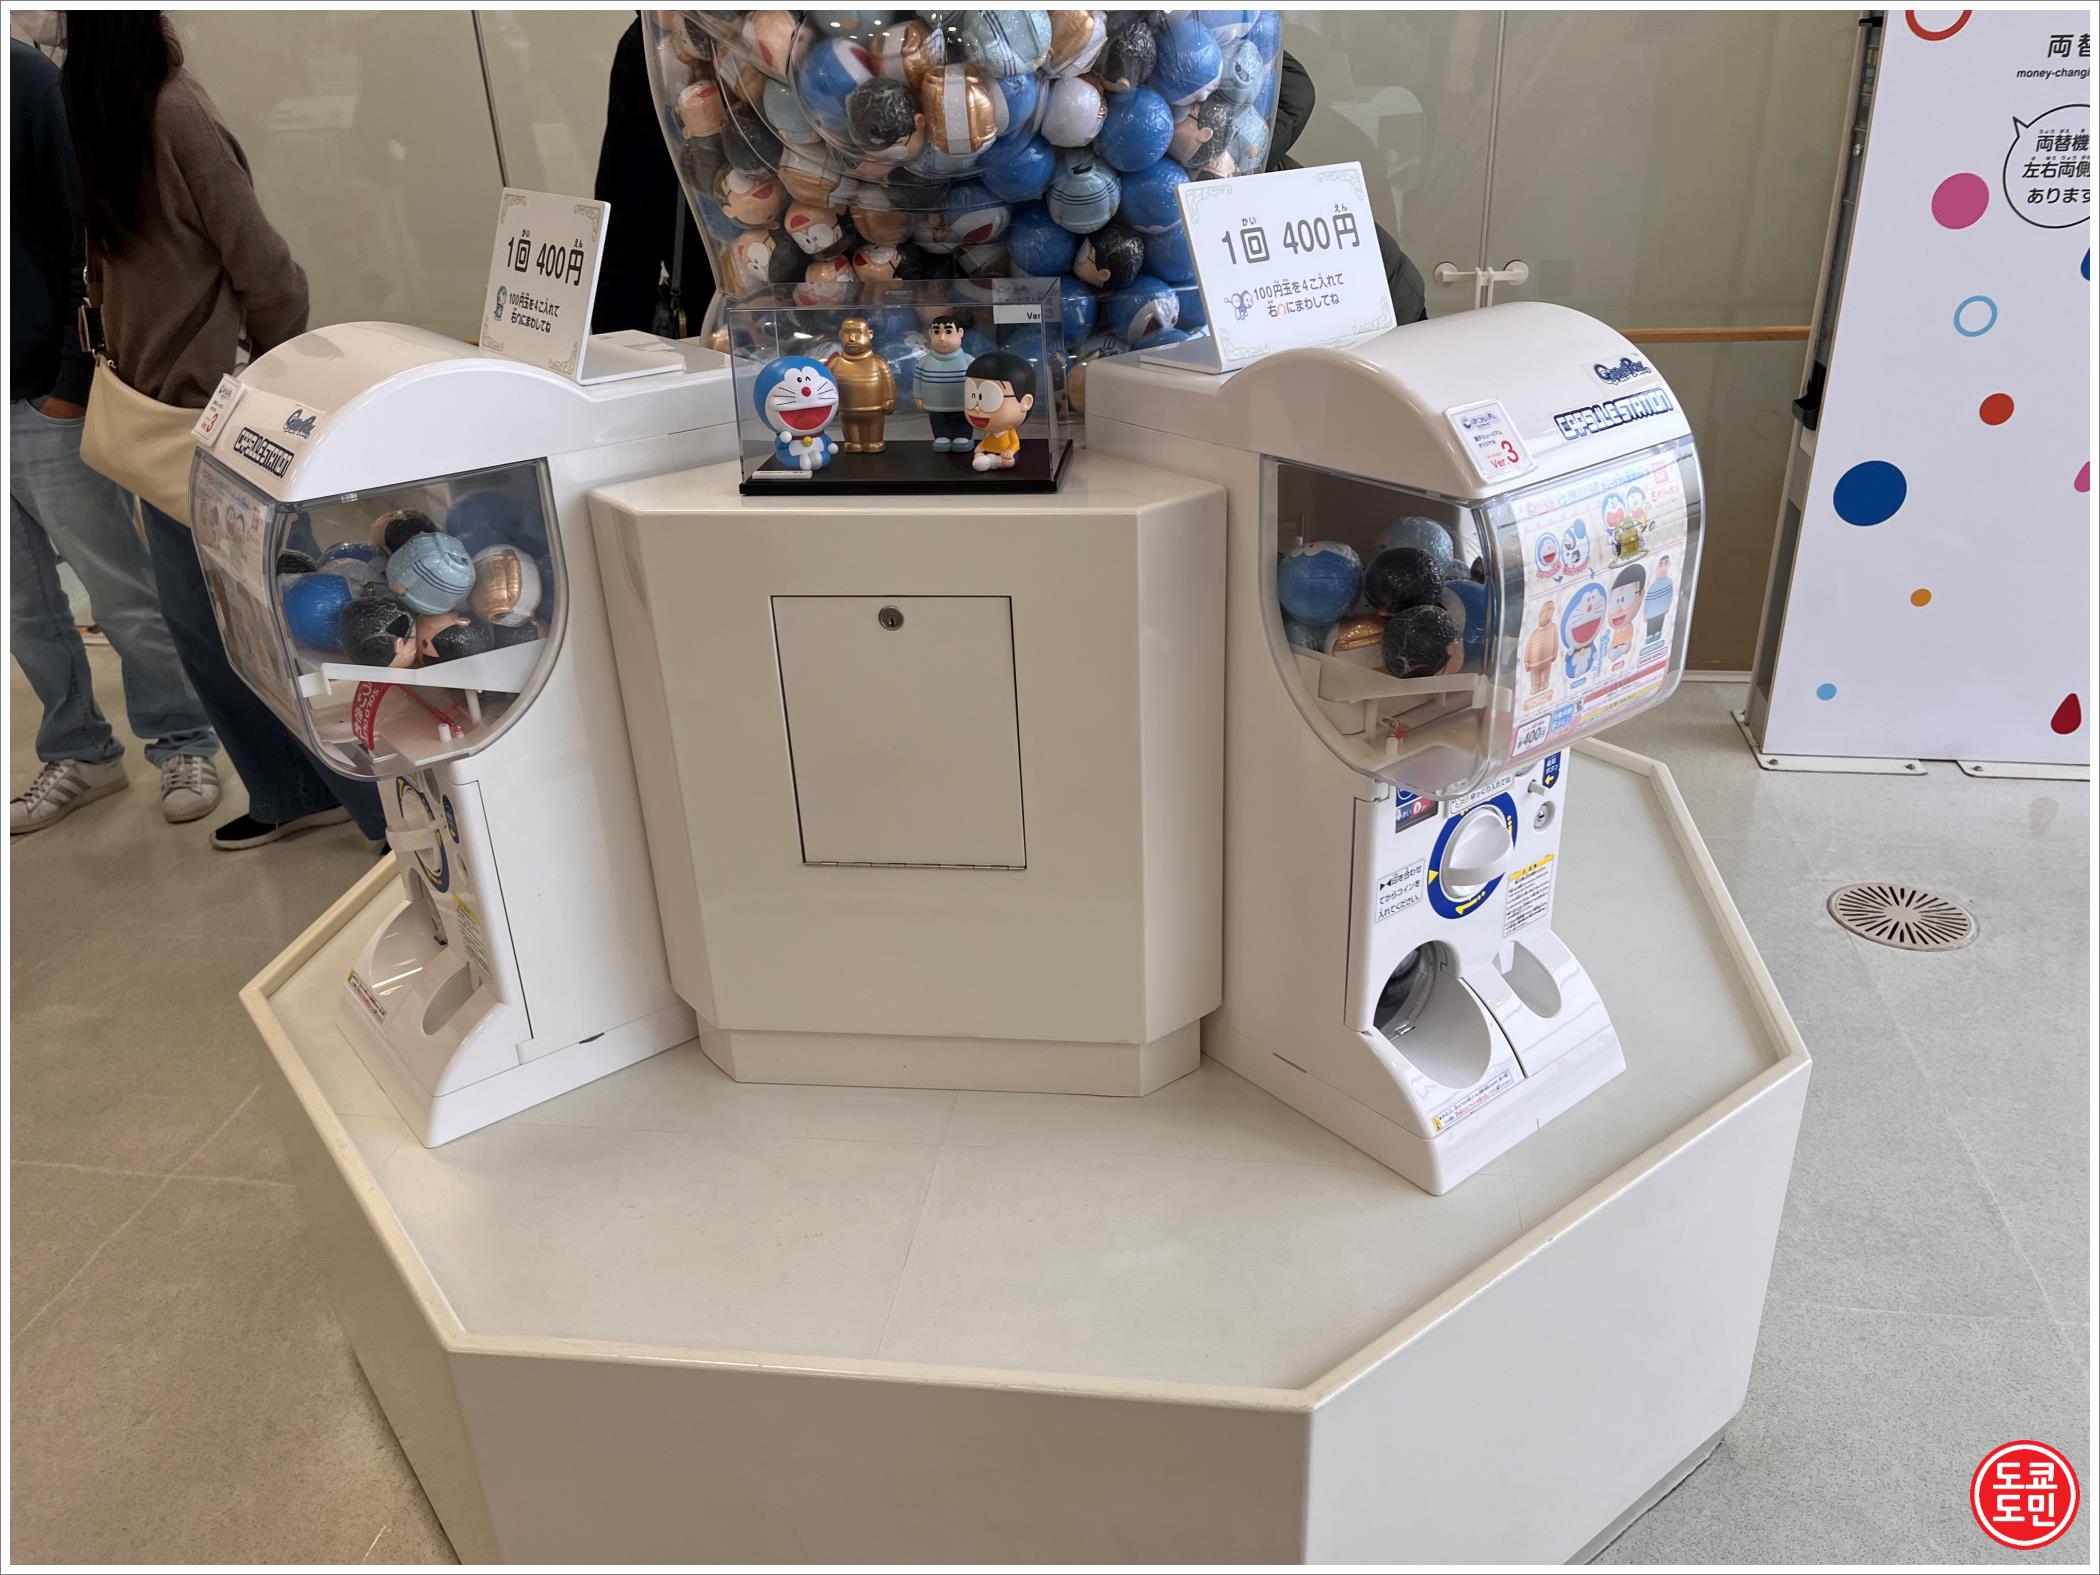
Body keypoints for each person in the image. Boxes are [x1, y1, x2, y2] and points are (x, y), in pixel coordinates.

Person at [59, 10, 385, 850]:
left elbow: (266, 268)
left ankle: (381, 809)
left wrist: (270, 385)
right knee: (209, 627)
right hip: (167, 422)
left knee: (283, 618)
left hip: (219, 418)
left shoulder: (170, 112)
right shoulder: (112, 113)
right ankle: (290, 790)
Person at [10, 36, 222, 835]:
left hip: (45, 394)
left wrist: (71, 385)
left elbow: (87, 243)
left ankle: (184, 739)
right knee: (24, 609)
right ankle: (81, 750)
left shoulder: (26, 82)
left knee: (120, 591)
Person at [1270, 52, 1429, 325]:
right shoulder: (1238, 158)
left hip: (1385, 298)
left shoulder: (1241, 154)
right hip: (1368, 292)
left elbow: (1297, 93)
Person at [591, 13, 715, 337]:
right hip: (710, 323)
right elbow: (627, 218)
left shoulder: (657, 41)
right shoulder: (659, 44)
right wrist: (619, 345)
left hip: (828, 297)